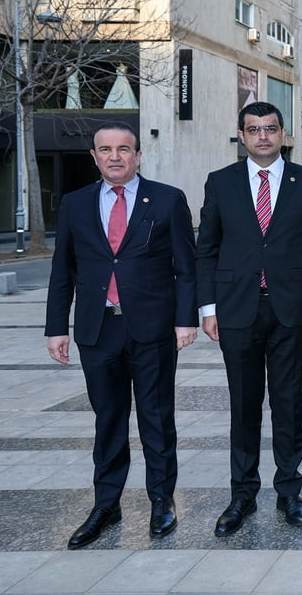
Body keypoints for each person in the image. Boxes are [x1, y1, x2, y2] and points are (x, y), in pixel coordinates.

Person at [46, 121, 197, 549]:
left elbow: (186, 267)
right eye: (106, 149)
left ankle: (161, 500)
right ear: (94, 156)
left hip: (152, 328)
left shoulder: (167, 200)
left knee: (155, 417)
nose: (115, 156)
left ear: (138, 155)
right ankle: (106, 505)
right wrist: (57, 327)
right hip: (98, 329)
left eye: (124, 149)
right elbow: (63, 270)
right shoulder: (75, 204)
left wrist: (185, 319)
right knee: (108, 420)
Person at [196, 102, 302, 536]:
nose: (263, 136)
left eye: (270, 129)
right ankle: (242, 495)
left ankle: (289, 491)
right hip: (236, 311)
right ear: (242, 135)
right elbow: (207, 250)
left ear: (283, 133)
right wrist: (208, 307)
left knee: (288, 405)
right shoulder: (220, 183)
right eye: (253, 130)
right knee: (244, 405)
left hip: (290, 309)